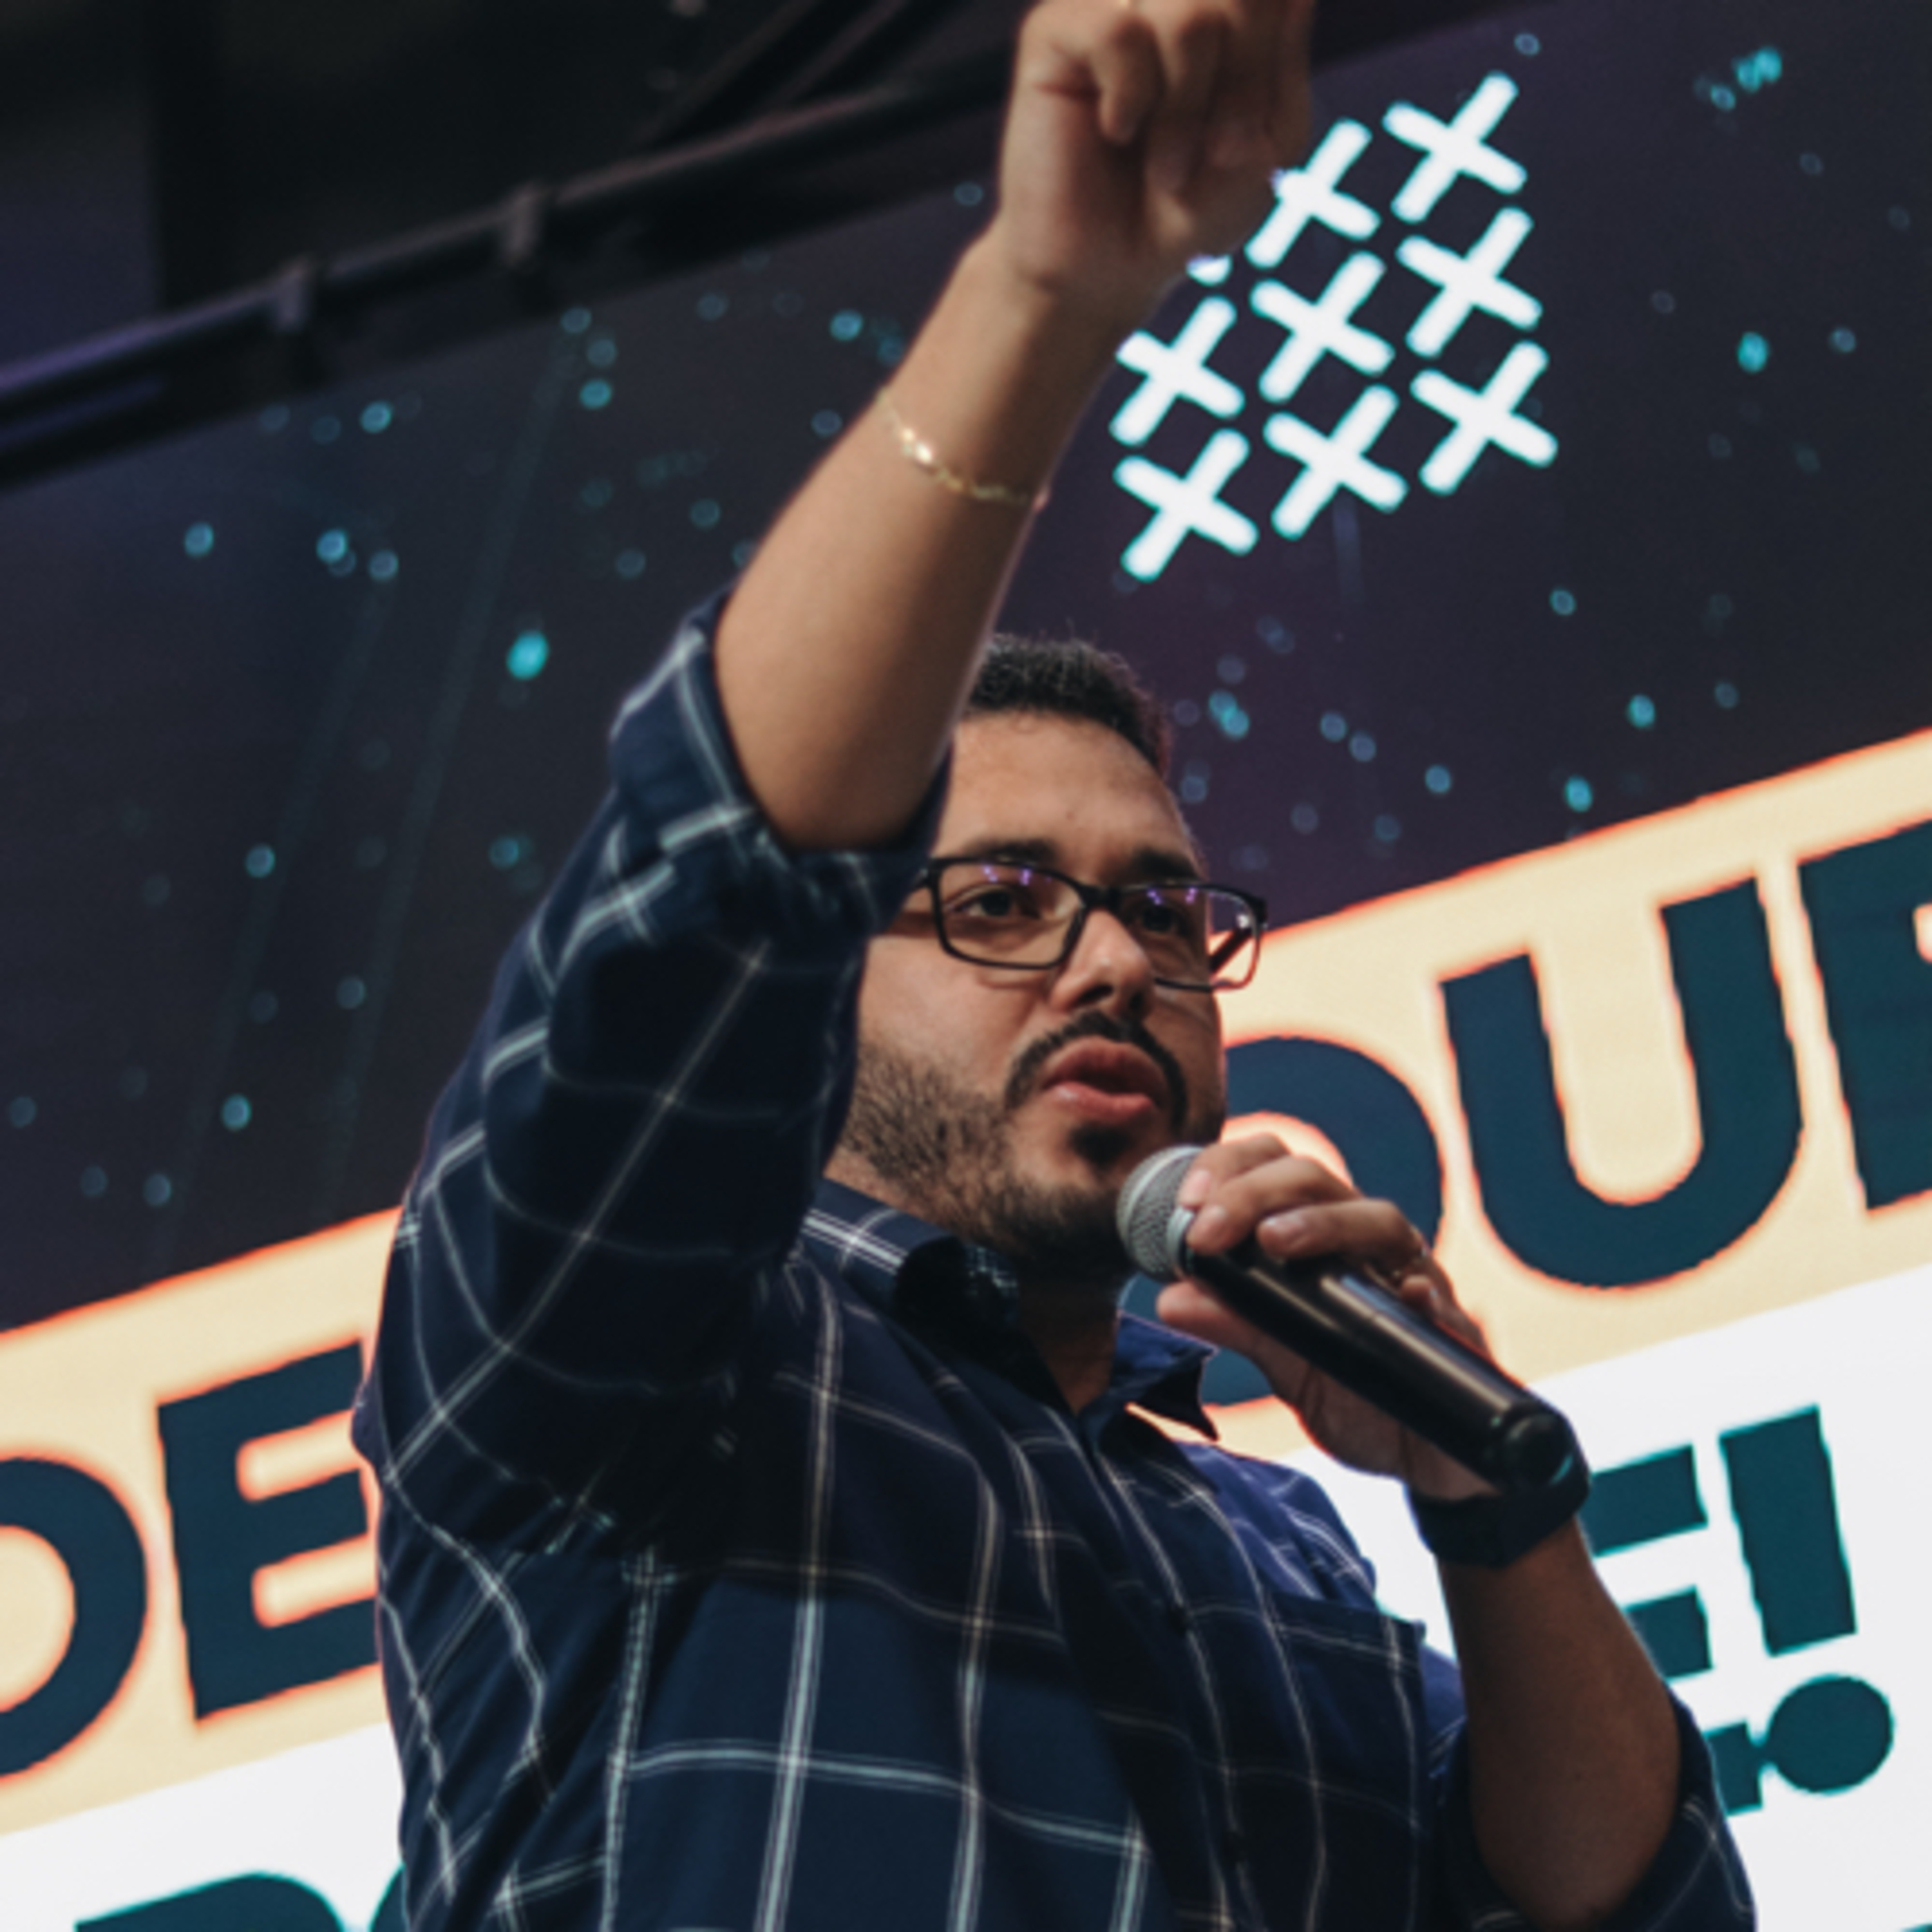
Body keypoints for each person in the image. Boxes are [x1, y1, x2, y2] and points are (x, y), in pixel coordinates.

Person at [353, 0, 1756, 1925]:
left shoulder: (1277, 1546)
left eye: (1164, 910)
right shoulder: (652, 1371)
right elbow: (718, 882)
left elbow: (1635, 1910)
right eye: (1001, 898)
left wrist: (1485, 1500)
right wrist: (1042, 293)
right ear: (821, 988)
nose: (1112, 964)